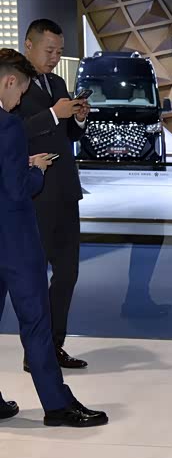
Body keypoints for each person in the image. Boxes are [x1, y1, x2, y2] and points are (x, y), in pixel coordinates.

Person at [0, 48, 107, 427]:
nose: (18, 101)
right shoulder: (8, 125)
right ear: (9, 81)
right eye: (19, 91)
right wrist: (36, 171)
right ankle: (57, 405)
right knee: (36, 323)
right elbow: (17, 189)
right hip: (15, 238)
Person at [17, 19, 90, 371]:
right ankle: (35, 352)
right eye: (49, 51)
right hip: (34, 193)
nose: (54, 58)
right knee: (33, 277)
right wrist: (52, 113)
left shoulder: (58, 83)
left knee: (67, 273)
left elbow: (66, 137)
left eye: (59, 52)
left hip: (64, 191)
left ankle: (53, 346)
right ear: (28, 45)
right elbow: (12, 133)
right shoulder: (12, 84)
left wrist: (78, 119)